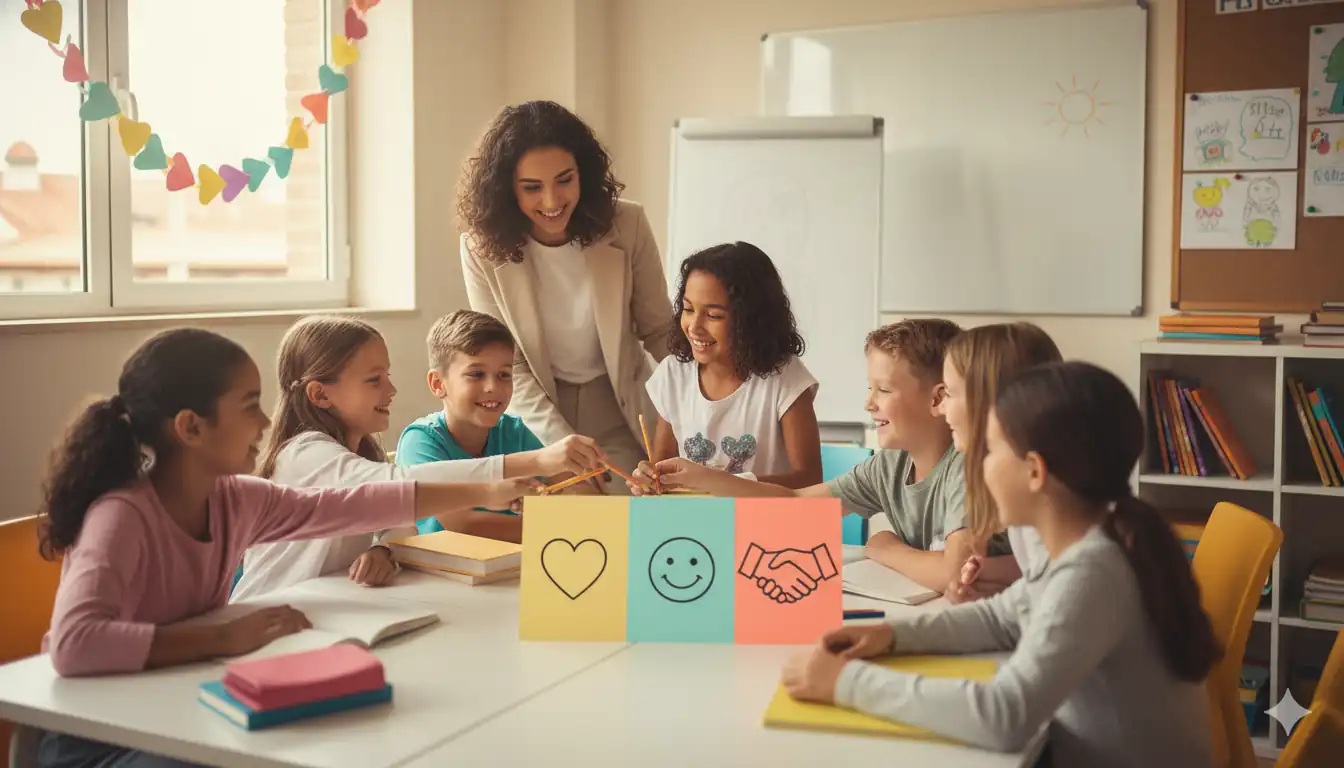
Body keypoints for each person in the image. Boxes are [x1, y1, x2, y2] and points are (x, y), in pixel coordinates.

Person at [34, 328, 535, 766]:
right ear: (191, 427)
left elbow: (356, 504)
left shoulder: (237, 499)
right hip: (101, 737)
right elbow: (76, 644)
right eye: (249, 406)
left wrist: (491, 486)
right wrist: (222, 638)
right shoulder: (121, 515)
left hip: (178, 709)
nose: (265, 422)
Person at [781, 361, 1219, 768]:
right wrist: (890, 635)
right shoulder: (1087, 540)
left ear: (1034, 472)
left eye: (989, 453)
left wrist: (845, 683)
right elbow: (1003, 618)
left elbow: (1005, 717)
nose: (978, 470)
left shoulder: (1094, 570)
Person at [635, 320, 1009, 594]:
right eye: (869, 388)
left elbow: (955, 570)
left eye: (883, 389)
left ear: (937, 399)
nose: (869, 402)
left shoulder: (965, 467)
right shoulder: (889, 466)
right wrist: (701, 477)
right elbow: (797, 503)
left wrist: (887, 549)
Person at [232, 315, 568, 602]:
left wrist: (384, 549)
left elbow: (397, 523)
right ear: (321, 394)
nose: (391, 390)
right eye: (374, 380)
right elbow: (400, 488)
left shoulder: (363, 452)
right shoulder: (304, 453)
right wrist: (531, 464)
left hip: (322, 608)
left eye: (387, 376)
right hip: (267, 612)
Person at [458, 100, 672, 491]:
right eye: (532, 188)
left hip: (620, 400)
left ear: (584, 175)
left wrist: (710, 401)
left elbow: (659, 330)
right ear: (507, 191)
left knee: (634, 514)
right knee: (570, 521)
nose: (552, 201)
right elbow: (512, 366)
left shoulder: (628, 224)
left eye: (564, 180)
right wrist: (561, 448)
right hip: (537, 407)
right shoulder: (480, 249)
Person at [397, 309, 609, 534]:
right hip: (440, 568)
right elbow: (463, 523)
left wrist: (568, 499)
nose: (493, 387)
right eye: (476, 374)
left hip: (508, 566)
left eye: (504, 375)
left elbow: (580, 491)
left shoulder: (513, 431)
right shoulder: (420, 441)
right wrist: (553, 524)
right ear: (438, 383)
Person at [640, 242, 821, 487]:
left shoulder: (785, 379)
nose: (694, 326)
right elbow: (663, 470)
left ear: (751, 319)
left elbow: (809, 481)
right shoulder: (673, 375)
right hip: (695, 523)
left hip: (764, 522)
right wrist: (650, 479)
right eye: (688, 309)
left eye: (713, 315)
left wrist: (717, 482)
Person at [939, 321, 1062, 603]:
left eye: (949, 393)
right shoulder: (1028, 506)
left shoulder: (1049, 506)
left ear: (987, 402)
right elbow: (1041, 581)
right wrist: (999, 579)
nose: (941, 407)